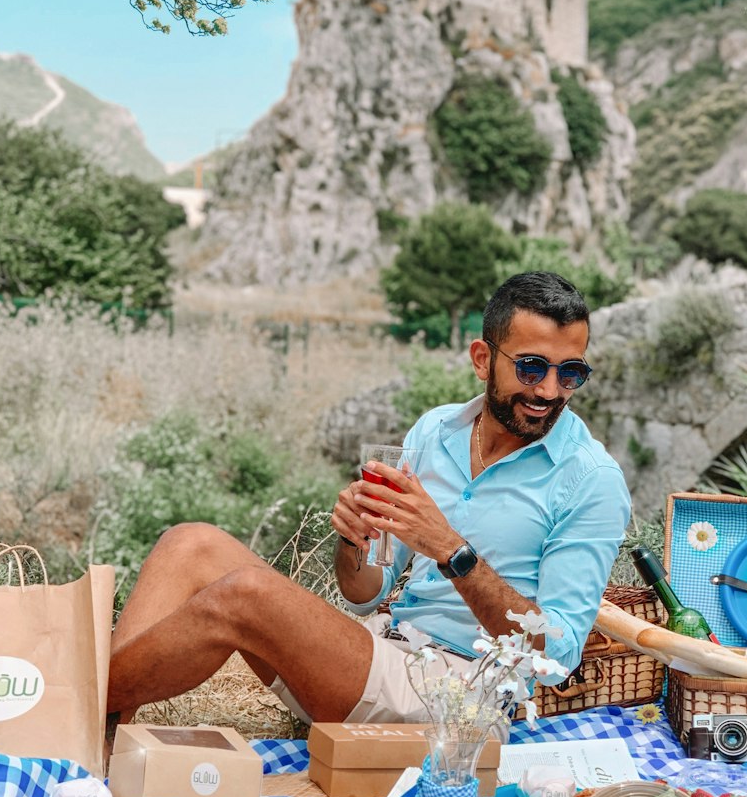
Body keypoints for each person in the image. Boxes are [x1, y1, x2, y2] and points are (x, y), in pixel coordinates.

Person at [107, 270, 630, 727]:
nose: (549, 391)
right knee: (189, 543)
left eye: (571, 374)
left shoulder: (591, 480)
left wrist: (453, 551)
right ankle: (99, 725)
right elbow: (365, 593)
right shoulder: (436, 431)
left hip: (462, 693)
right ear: (482, 359)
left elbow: (557, 656)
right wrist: (353, 540)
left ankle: (68, 703)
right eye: (533, 368)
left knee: (245, 593)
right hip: (384, 651)